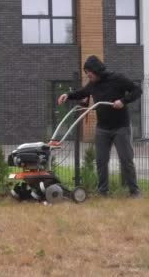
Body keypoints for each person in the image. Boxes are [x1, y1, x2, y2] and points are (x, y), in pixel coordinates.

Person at [57, 55, 142, 197]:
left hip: (120, 127)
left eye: (89, 72)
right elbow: (82, 93)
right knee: (101, 161)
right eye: (86, 73)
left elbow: (137, 90)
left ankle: (134, 191)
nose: (88, 75)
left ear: (96, 70)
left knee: (126, 160)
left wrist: (123, 101)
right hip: (102, 128)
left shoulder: (117, 79)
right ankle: (103, 191)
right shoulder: (93, 84)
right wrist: (68, 95)